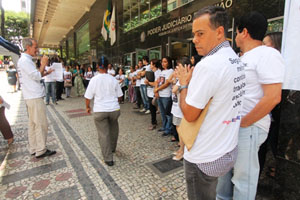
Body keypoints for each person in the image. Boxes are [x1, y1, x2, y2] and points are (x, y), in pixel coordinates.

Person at [176, 6, 245, 199]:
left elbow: (189, 114)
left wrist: (183, 85)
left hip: (204, 157)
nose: (194, 40)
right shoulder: (235, 58)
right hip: (226, 150)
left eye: (200, 33)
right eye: (194, 34)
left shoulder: (208, 65)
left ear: (220, 31)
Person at [216, 12, 285, 200]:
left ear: (244, 32)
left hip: (249, 127)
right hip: (232, 126)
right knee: (225, 176)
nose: (235, 37)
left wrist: (245, 122)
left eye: (236, 32)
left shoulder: (267, 54)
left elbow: (273, 97)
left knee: (243, 180)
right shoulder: (244, 57)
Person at [17, 37, 56, 158]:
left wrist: (45, 73)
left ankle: (34, 147)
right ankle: (41, 149)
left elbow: (34, 75)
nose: (37, 50)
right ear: (28, 47)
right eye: (35, 47)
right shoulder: (25, 61)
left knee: (33, 123)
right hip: (34, 96)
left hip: (30, 96)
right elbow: (36, 76)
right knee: (40, 123)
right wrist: (43, 64)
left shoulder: (25, 60)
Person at [85, 57, 123, 167]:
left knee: (103, 134)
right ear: (108, 66)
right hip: (114, 109)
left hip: (100, 110)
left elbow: (88, 97)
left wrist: (87, 107)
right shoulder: (113, 79)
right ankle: (112, 148)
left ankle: (108, 158)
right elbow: (120, 96)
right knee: (114, 128)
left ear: (97, 67)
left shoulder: (94, 80)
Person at [259, 32, 283, 178]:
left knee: (275, 146)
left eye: (265, 44)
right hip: (268, 118)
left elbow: (274, 97)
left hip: (275, 117)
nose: (261, 47)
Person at [154, 56, 173, 136]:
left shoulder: (170, 71)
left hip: (166, 95)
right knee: (162, 112)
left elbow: (167, 83)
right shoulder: (161, 71)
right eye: (162, 61)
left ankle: (168, 129)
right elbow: (156, 81)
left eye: (165, 62)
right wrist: (156, 90)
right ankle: (164, 126)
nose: (163, 63)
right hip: (160, 95)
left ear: (168, 63)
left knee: (168, 113)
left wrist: (157, 89)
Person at [144, 59, 161, 130]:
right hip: (149, 92)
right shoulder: (150, 72)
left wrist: (148, 83)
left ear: (154, 65)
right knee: (152, 109)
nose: (150, 66)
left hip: (155, 93)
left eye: (151, 64)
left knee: (156, 108)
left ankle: (154, 123)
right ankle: (153, 121)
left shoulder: (158, 72)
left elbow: (156, 83)